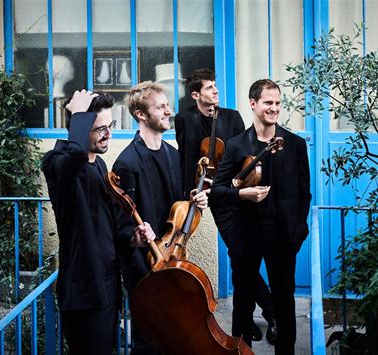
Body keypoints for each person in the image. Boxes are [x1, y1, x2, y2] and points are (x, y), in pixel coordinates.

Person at [42, 90, 155, 355]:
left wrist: (132, 238)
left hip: (108, 286)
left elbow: (110, 226)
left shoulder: (101, 166)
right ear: (79, 129)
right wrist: (79, 115)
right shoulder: (56, 162)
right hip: (82, 291)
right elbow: (73, 158)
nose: (108, 134)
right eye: (99, 129)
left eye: (110, 126)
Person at [175, 68, 277, 343]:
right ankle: (266, 313)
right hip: (214, 195)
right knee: (239, 253)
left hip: (238, 192)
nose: (216, 91)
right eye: (209, 88)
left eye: (215, 86)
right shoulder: (185, 119)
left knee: (239, 256)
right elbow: (186, 159)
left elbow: (247, 151)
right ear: (196, 94)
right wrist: (190, 195)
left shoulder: (231, 117)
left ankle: (252, 317)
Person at [211, 79, 312, 354]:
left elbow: (305, 193)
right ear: (253, 104)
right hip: (247, 234)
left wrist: (299, 231)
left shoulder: (294, 144)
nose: (274, 108)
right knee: (243, 303)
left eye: (278, 103)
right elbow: (218, 191)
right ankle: (241, 351)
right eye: (268, 103)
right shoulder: (236, 145)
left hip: (283, 236)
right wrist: (243, 195)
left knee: (284, 302)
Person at [112, 81, 208, 354]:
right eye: (161, 107)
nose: (169, 111)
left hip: (173, 258)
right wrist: (136, 237)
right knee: (149, 338)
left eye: (168, 105)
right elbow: (120, 228)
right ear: (141, 115)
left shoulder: (173, 155)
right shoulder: (127, 162)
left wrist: (197, 201)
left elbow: (180, 206)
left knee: (173, 332)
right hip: (144, 266)